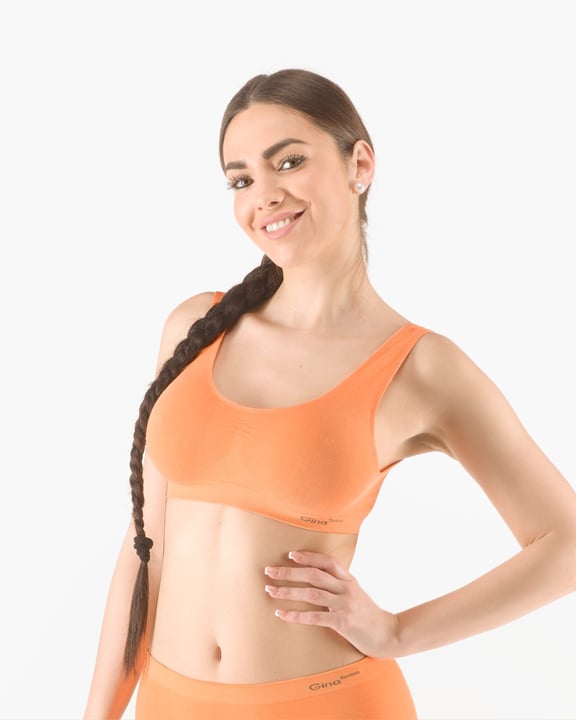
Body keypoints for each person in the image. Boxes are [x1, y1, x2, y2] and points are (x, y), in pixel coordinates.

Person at [83, 68, 576, 720]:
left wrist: (396, 632)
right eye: (241, 179)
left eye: (288, 161)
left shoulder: (420, 368)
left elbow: (565, 543)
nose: (265, 194)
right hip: (171, 702)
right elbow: (145, 548)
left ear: (359, 165)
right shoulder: (194, 329)